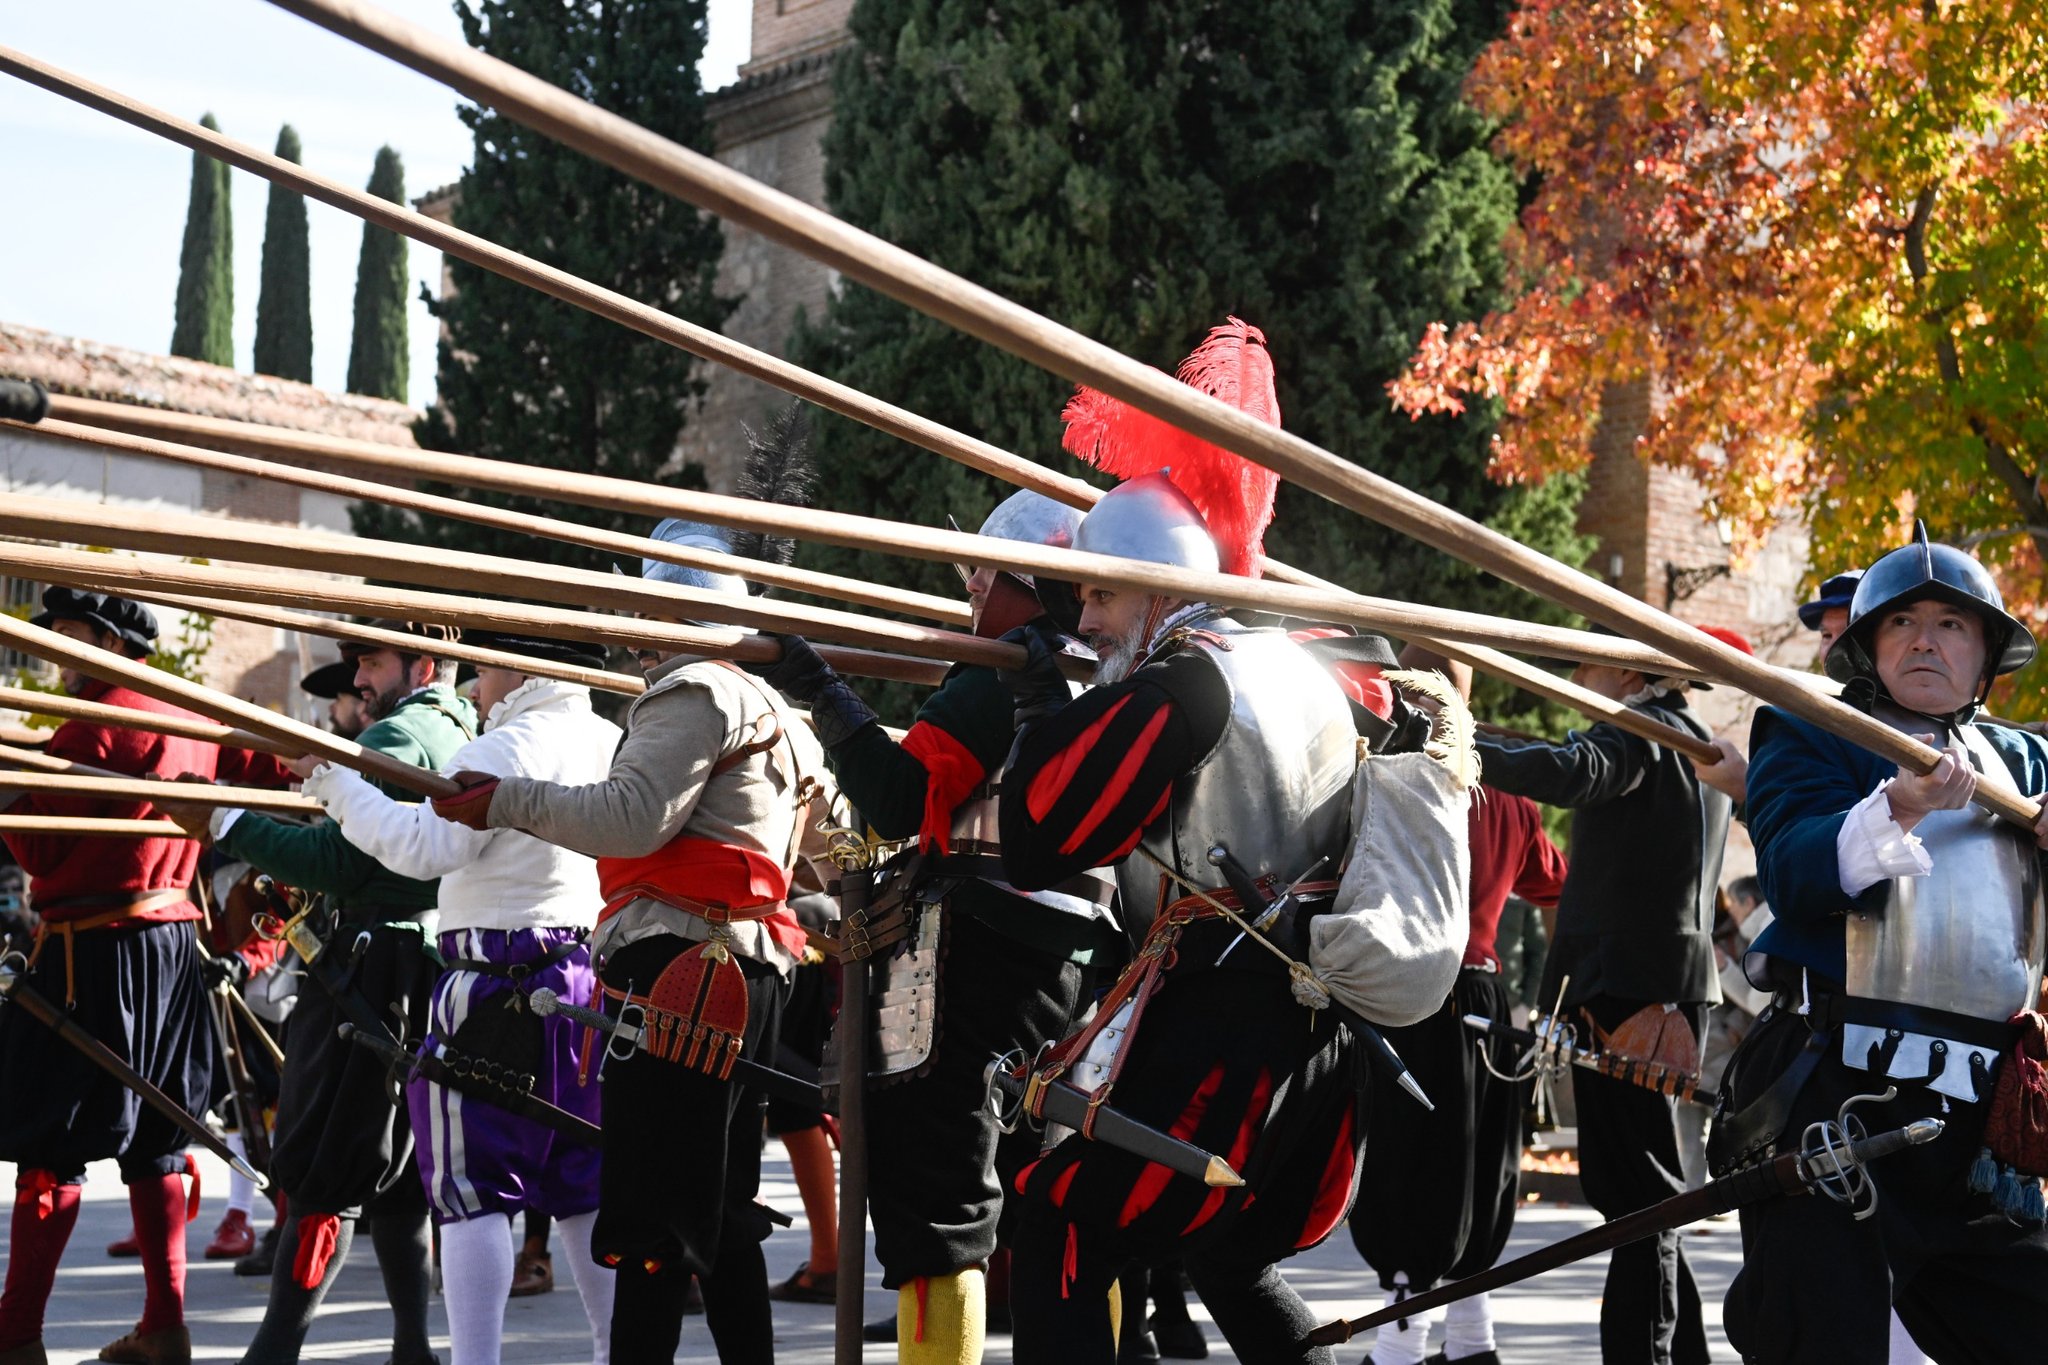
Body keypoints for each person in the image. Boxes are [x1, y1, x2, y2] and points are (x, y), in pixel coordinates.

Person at [997, 319, 1431, 1363]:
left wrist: (1033, 707)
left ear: (1160, 588)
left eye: (1101, 593)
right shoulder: (1307, 668)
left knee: (1056, 1219)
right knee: (1224, 1256)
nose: (1087, 616)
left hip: (1226, 1018)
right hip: (1297, 1019)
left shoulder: (1187, 677)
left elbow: (1041, 837)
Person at [428, 520, 836, 1365]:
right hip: (748, 970)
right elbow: (832, 850)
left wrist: (508, 798)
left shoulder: (695, 691)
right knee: (719, 1210)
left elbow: (630, 817)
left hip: (683, 970)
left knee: (654, 1214)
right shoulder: (785, 716)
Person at [754, 489, 1122, 1363]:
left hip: (980, 963)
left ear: (1022, 581)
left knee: (938, 1211)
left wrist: (818, 688)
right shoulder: (1105, 669)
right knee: (1059, 1207)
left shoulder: (1003, 665)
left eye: (979, 572)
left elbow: (895, 800)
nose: (967, 588)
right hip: (1074, 967)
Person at [1721, 525, 2048, 1365]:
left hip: (1982, 1121)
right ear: (1869, 647)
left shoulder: (2031, 761)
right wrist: (1896, 807)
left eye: (1950, 623)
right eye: (1902, 624)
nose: (1925, 639)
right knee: (1822, 1337)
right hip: (1836, 1085)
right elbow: (1793, 870)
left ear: (1984, 656)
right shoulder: (1812, 729)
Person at [292, 631, 621, 1365]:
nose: (473, 687)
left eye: (485, 667)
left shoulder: (504, 748)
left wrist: (332, 779)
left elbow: (420, 846)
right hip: (584, 987)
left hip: (495, 982)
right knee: (583, 1179)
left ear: (519, 667)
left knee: (475, 1192)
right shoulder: (609, 737)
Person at [164, 623, 476, 1365]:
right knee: (398, 1176)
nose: (359, 679)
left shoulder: (404, 729)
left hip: (375, 969)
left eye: (371, 662)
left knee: (323, 1174)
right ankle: (411, 1348)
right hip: (416, 964)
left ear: (423, 664)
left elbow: (341, 861)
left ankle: (275, 1350)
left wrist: (226, 822)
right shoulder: (458, 727)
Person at [1474, 629, 1732, 1365]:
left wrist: (1468, 751)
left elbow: (1574, 769)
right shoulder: (1685, 738)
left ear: (1625, 670)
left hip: (1633, 993)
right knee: (1646, 1195)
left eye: (1585, 664)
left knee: (1639, 1201)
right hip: (1647, 990)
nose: (1578, 680)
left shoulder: (1643, 732)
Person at [0, 589, 240, 1365]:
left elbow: (39, 850)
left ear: (110, 641)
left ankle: (15, 1333)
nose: (58, 656)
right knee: (158, 1139)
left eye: (71, 637)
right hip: (171, 948)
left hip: (92, 950)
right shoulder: (189, 713)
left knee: (48, 1139)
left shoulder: (96, 720)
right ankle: (165, 1324)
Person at [1352, 652, 1569, 1365]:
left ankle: (1399, 1343)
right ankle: (1473, 1336)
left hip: (1409, 984)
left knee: (1407, 1158)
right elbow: (1554, 883)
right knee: (1478, 1162)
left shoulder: (1386, 774)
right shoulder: (1504, 789)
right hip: (1481, 986)